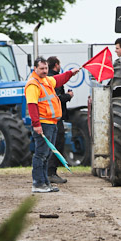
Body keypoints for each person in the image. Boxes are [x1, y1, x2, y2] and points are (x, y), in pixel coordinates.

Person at [25, 56, 80, 193]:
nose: (44, 71)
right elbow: (32, 106)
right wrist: (36, 124)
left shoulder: (45, 80)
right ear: (35, 69)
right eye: (42, 68)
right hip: (43, 124)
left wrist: (70, 73)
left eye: (46, 68)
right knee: (41, 154)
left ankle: (45, 183)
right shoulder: (33, 84)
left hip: (51, 123)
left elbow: (59, 79)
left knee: (47, 154)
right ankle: (38, 183)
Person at [47, 56, 73, 184]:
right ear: (56, 65)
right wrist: (68, 96)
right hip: (55, 117)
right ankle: (51, 172)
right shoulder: (54, 79)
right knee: (57, 143)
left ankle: (48, 172)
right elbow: (56, 99)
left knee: (51, 143)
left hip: (50, 117)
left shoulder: (48, 78)